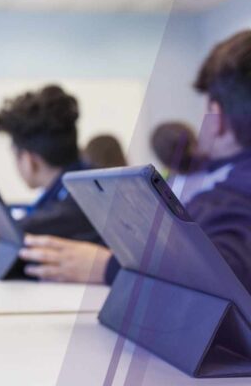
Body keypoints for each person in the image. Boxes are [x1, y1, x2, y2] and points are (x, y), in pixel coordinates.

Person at [19, 30, 251, 293]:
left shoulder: (231, 196)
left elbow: (217, 280)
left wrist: (107, 267)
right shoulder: (220, 183)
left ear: (217, 118)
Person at [0, 85, 102, 245]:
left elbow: (34, 228)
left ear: (28, 160)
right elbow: (37, 216)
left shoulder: (76, 204)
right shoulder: (81, 186)